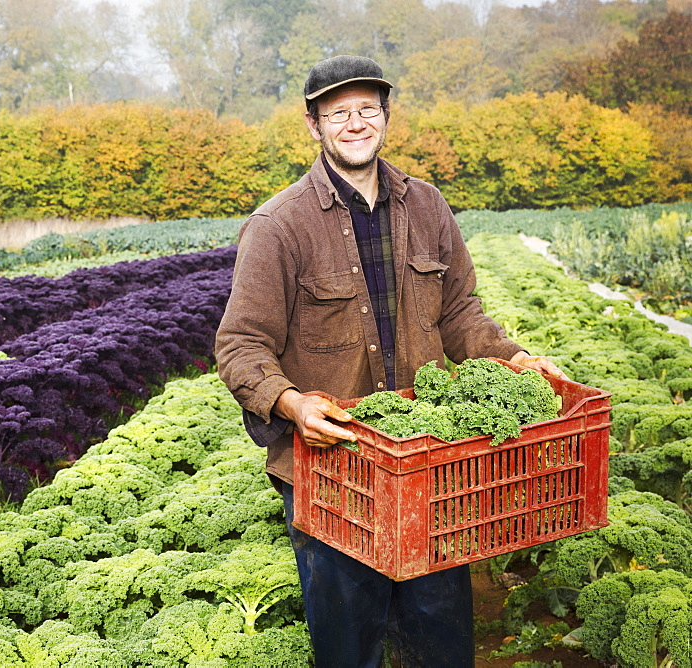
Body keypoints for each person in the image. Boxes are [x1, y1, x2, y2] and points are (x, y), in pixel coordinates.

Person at [213, 55, 565, 667]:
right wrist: (291, 403)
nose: (355, 123)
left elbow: (460, 313)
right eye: (338, 112)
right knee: (350, 644)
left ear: (385, 115)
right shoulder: (278, 225)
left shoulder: (427, 206)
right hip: (334, 470)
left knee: (441, 632)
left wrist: (515, 358)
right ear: (313, 124)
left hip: (429, 459)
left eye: (366, 109)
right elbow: (240, 344)